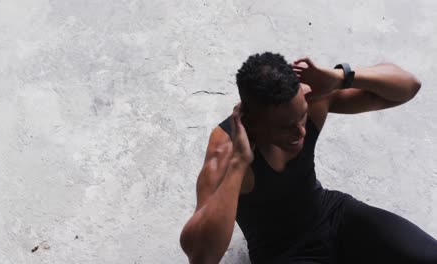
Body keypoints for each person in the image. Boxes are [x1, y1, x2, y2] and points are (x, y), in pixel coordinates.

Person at [179, 52, 437, 264]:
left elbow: (408, 86)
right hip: (283, 253)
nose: (301, 131)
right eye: (285, 126)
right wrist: (238, 164)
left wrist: (340, 77)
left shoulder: (310, 98)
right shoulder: (224, 150)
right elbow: (202, 256)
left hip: (333, 215)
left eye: (301, 116)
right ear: (251, 122)